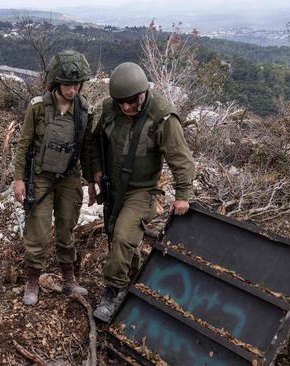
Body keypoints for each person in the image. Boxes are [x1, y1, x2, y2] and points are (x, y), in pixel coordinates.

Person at [88, 62, 195, 322]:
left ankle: (112, 292)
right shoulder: (109, 109)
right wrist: (95, 173)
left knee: (124, 237)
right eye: (121, 102)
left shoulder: (162, 117)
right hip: (113, 186)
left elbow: (181, 159)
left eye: (132, 101)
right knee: (116, 234)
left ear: (144, 93)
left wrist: (182, 195)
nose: (127, 108)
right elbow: (94, 142)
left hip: (143, 190)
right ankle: (137, 277)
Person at [13, 50, 95, 306]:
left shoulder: (84, 110)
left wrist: (92, 181)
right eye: (67, 84)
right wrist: (19, 179)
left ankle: (69, 278)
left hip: (70, 177)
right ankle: (33, 280)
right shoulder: (38, 107)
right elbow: (24, 144)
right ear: (56, 82)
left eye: (76, 84)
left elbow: (88, 150)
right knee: (37, 232)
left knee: (66, 228)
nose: (72, 90)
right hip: (41, 177)